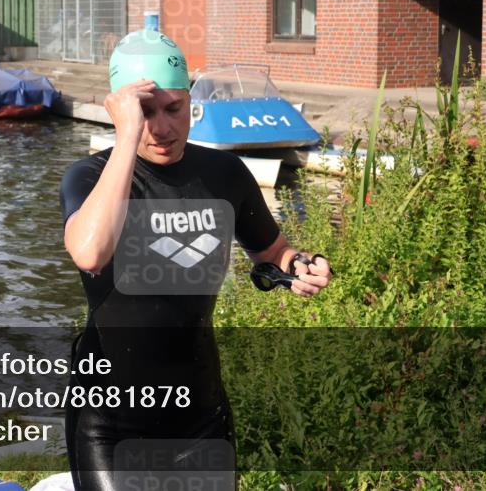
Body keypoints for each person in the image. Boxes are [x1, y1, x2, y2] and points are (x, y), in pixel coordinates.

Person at [59, 29, 332, 490]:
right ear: (121, 111)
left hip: (199, 411)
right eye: (144, 111)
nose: (162, 127)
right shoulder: (88, 177)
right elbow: (90, 251)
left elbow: (272, 252)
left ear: (191, 103)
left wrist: (295, 267)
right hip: (110, 420)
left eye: (173, 108)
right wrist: (126, 139)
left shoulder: (224, 173)